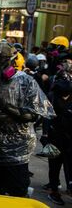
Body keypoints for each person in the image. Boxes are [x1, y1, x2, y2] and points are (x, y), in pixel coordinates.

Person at [0, 42, 55, 197]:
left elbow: (36, 114)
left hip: (17, 152)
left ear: (12, 60)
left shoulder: (26, 81)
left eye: (3, 59)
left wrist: (7, 108)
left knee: (16, 195)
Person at [43, 76, 72, 205]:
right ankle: (54, 190)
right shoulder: (51, 97)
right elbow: (46, 117)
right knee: (54, 165)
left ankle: (69, 187)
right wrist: (45, 134)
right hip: (55, 137)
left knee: (69, 167)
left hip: (69, 139)